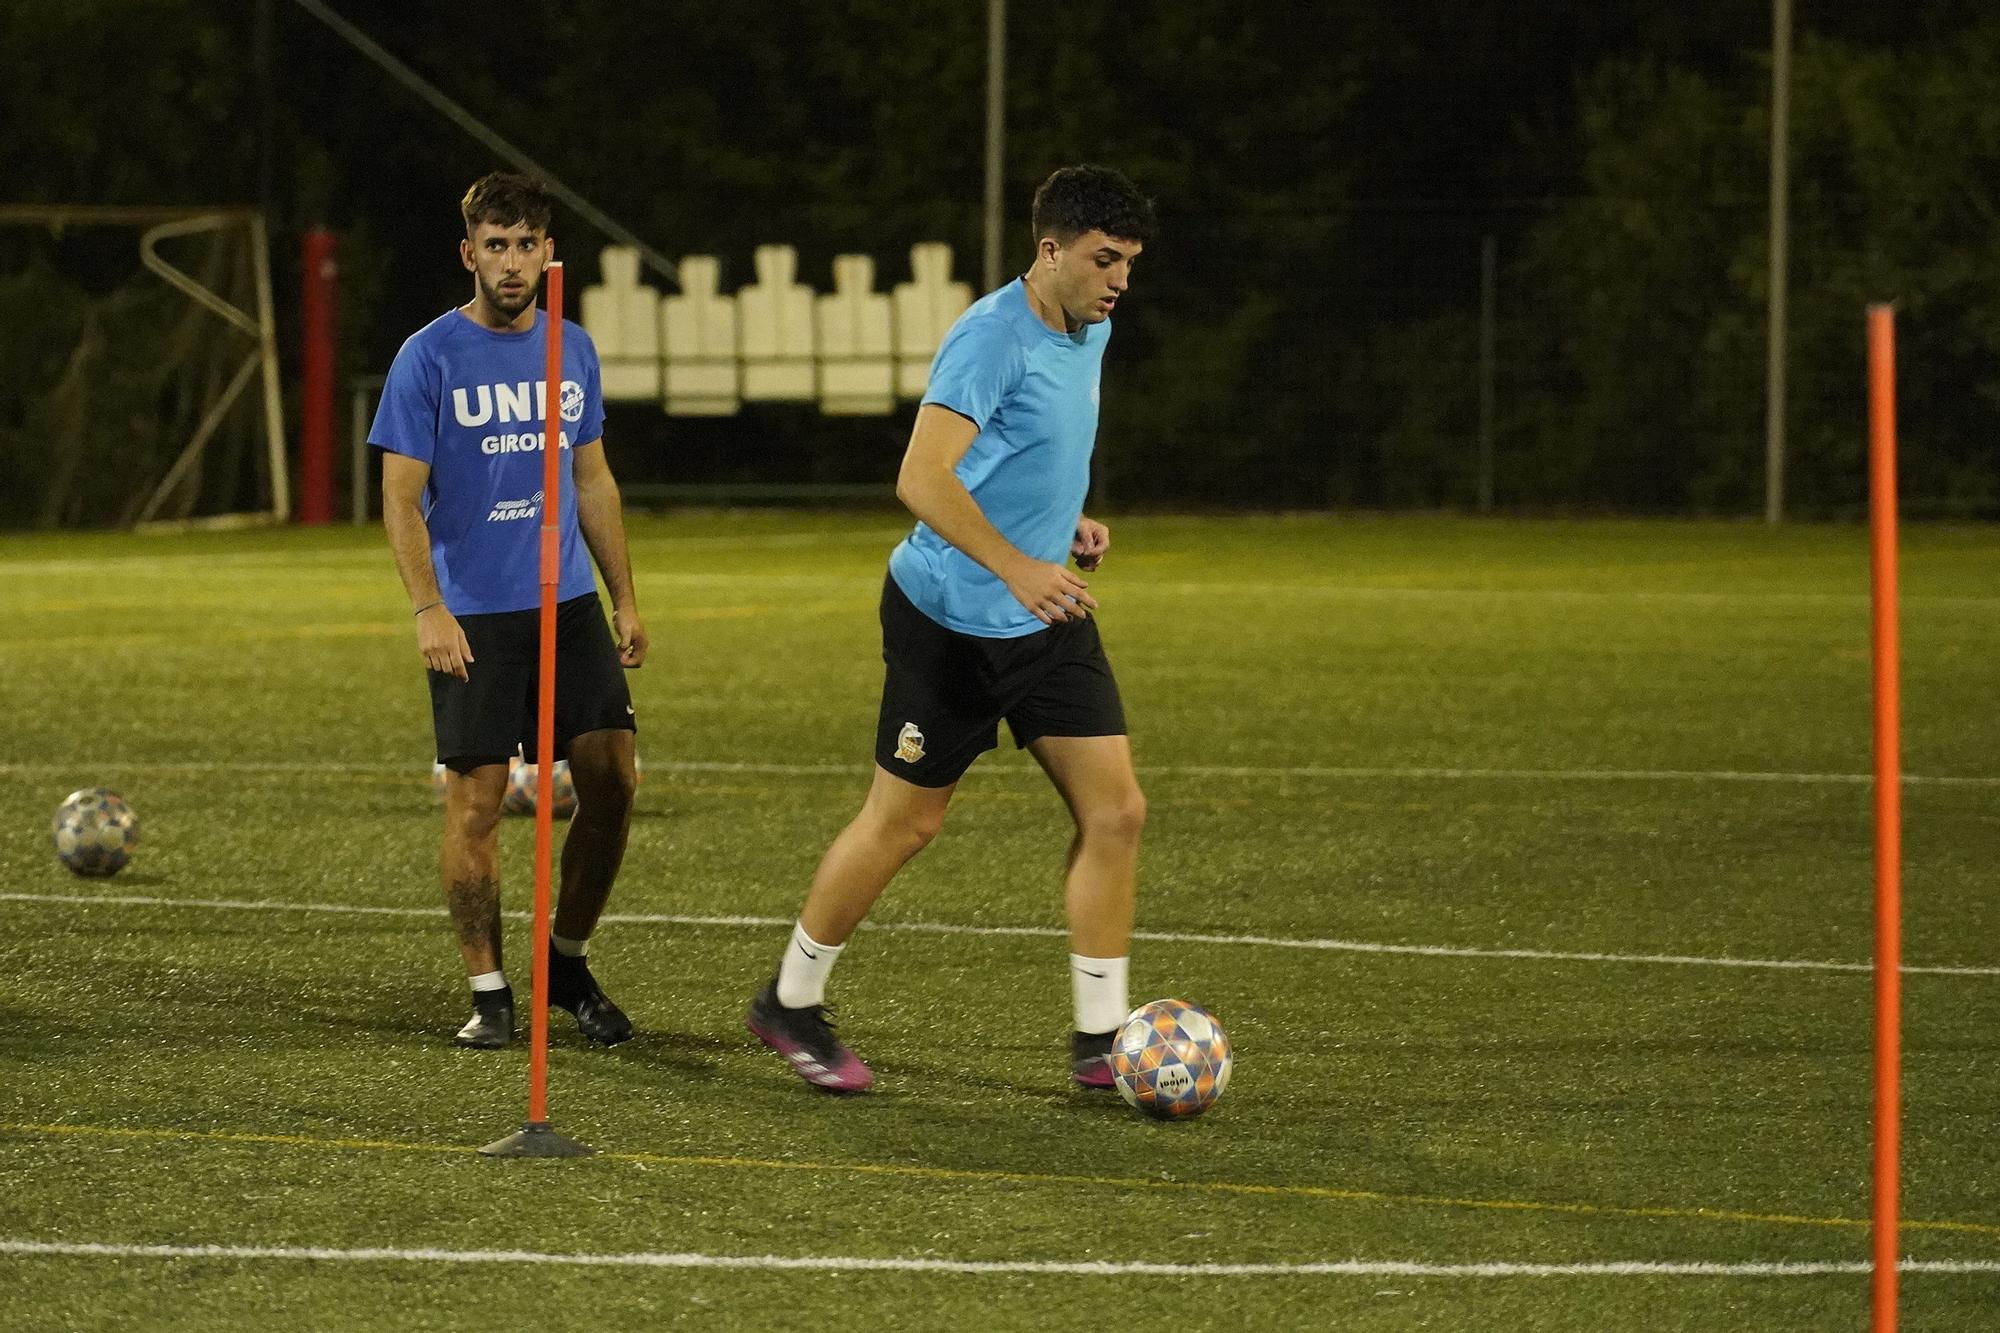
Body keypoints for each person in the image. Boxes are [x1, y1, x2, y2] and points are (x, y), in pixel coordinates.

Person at [746, 164, 1156, 1092]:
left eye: (1129, 262)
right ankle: (789, 1000)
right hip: (951, 621)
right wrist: (1016, 561)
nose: (1120, 279)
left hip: (1046, 618)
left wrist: (1065, 522)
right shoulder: (989, 338)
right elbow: (922, 479)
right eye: (1104, 259)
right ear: (1049, 251)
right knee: (905, 822)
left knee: (1116, 810)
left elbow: (1034, 449)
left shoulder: (1090, 324)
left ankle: (1100, 1039)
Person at [372, 172, 648, 1050]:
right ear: (469, 254)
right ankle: (489, 989)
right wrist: (428, 607)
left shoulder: (574, 348)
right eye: (496, 244)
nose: (513, 261)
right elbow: (399, 497)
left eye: (528, 243)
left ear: (548, 252)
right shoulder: (428, 357)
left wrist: (624, 596)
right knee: (479, 804)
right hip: (476, 613)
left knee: (612, 777)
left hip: (564, 602)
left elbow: (593, 477)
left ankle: (566, 965)